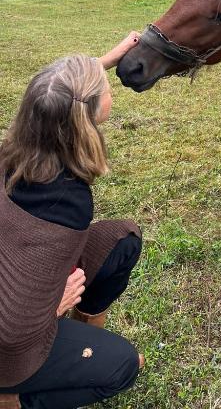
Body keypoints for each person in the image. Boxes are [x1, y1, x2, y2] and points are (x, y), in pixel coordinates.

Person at [0, 34, 144, 409]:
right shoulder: (66, 206)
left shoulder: (14, 152)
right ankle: (16, 398)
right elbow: (12, 329)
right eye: (106, 87)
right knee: (125, 365)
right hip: (10, 347)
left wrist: (107, 59)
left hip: (12, 279)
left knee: (121, 240)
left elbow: (60, 94)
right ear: (86, 115)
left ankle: (79, 339)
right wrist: (52, 307)